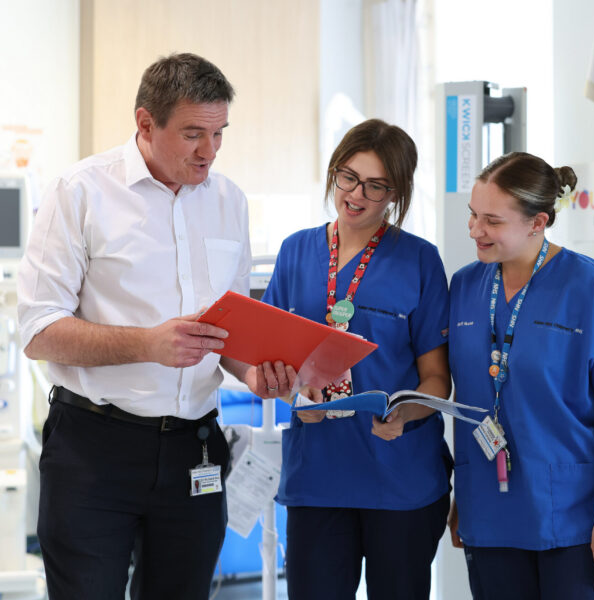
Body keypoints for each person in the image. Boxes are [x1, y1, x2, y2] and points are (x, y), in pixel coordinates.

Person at [17, 53, 292, 600]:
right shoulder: (80, 192)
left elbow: (224, 332)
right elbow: (38, 328)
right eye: (193, 134)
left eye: (219, 134)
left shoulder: (229, 202)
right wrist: (147, 344)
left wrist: (253, 373)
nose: (209, 151)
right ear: (145, 124)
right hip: (95, 450)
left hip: (197, 451)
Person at [446, 152, 594, 599]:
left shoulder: (589, 287)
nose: (475, 230)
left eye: (492, 221)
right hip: (488, 509)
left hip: (573, 519)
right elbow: (471, 399)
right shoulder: (464, 287)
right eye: (473, 215)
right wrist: (464, 496)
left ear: (537, 223)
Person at [261, 119, 452, 600]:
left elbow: (436, 380)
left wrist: (406, 413)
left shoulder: (420, 261)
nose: (356, 194)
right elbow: (272, 361)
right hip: (319, 478)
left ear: (396, 192)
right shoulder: (296, 251)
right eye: (348, 176)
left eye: (375, 185)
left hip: (400, 479)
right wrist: (295, 389)